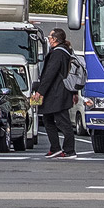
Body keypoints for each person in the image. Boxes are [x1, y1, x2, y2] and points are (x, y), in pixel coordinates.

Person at [31, 28, 77, 159]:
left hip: (56, 93)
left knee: (63, 121)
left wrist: (40, 91)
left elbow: (49, 74)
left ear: (55, 39)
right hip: (62, 91)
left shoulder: (57, 53)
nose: (49, 39)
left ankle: (69, 150)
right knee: (48, 118)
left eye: (50, 37)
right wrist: (74, 92)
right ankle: (55, 148)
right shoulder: (66, 52)